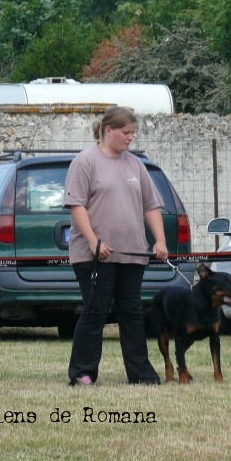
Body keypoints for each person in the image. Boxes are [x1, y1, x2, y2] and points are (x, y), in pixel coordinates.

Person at [64, 106, 169, 387]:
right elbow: (76, 204)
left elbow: (151, 205)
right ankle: (82, 373)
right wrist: (94, 241)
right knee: (95, 311)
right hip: (94, 256)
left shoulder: (135, 164)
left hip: (132, 253)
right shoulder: (85, 162)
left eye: (133, 133)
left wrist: (160, 240)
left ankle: (141, 374)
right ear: (108, 130)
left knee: (132, 313)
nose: (130, 138)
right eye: (126, 132)